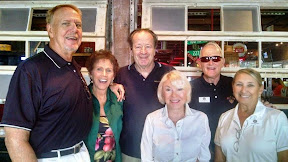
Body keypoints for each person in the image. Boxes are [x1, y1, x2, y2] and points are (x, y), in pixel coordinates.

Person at [0, 4, 93, 161]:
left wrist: (111, 85)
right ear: (50, 30)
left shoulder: (72, 66)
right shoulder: (30, 70)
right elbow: (15, 139)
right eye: (66, 23)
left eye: (78, 25)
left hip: (80, 153)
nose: (74, 29)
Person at [114, 28, 174, 161]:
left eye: (148, 46)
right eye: (138, 47)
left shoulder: (169, 73)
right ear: (131, 49)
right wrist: (111, 86)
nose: (143, 52)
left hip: (162, 150)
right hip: (130, 150)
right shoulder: (120, 74)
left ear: (154, 49)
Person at [214, 68, 288, 162]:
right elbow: (219, 158)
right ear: (233, 87)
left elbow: (284, 158)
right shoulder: (224, 117)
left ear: (260, 89)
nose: (244, 90)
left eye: (250, 85)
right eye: (239, 84)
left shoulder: (277, 118)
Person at [141, 70, 211, 161]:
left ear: (187, 92)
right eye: (168, 89)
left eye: (179, 89)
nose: (174, 95)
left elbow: (204, 157)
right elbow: (146, 158)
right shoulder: (152, 119)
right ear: (162, 93)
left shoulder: (201, 119)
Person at [189, 42, 237, 159]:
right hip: (201, 152)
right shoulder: (189, 88)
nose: (211, 63)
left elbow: (248, 104)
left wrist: (263, 106)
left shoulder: (234, 84)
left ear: (222, 61)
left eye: (215, 58)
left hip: (231, 150)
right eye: (206, 59)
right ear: (199, 63)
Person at [84, 50, 123, 162]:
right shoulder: (81, 99)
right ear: (91, 73)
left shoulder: (119, 100)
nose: (104, 74)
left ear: (113, 76)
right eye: (99, 69)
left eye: (109, 70)